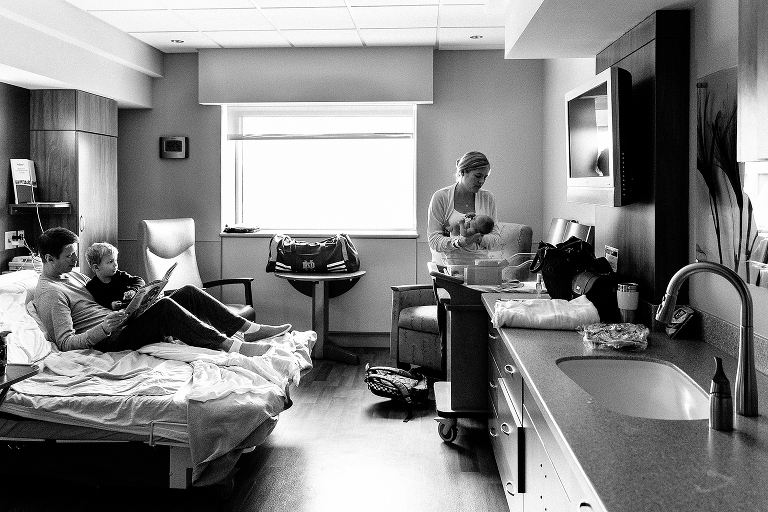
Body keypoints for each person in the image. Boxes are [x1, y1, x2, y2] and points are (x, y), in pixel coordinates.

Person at [33, 227, 291, 356]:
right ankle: (231, 346)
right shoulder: (50, 293)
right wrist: (104, 328)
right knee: (165, 309)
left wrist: (130, 303)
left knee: (188, 291)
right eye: (69, 256)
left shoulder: (72, 276)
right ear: (48, 258)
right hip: (110, 340)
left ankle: (248, 329)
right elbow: (65, 343)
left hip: (121, 322)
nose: (74, 260)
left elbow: (99, 298)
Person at [428, 151, 502, 266]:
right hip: (447, 269)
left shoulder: (488, 198)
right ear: (462, 172)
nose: (481, 181)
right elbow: (434, 240)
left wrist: (476, 237)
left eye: (485, 177)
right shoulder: (441, 197)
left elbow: (496, 239)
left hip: (479, 268)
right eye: (478, 176)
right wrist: (459, 242)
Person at [85, 242, 145, 310]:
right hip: (119, 315)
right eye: (110, 261)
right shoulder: (92, 286)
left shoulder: (119, 275)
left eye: (115, 260)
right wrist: (110, 305)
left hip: (134, 308)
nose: (115, 264)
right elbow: (98, 302)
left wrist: (133, 290)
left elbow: (139, 280)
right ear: (96, 267)